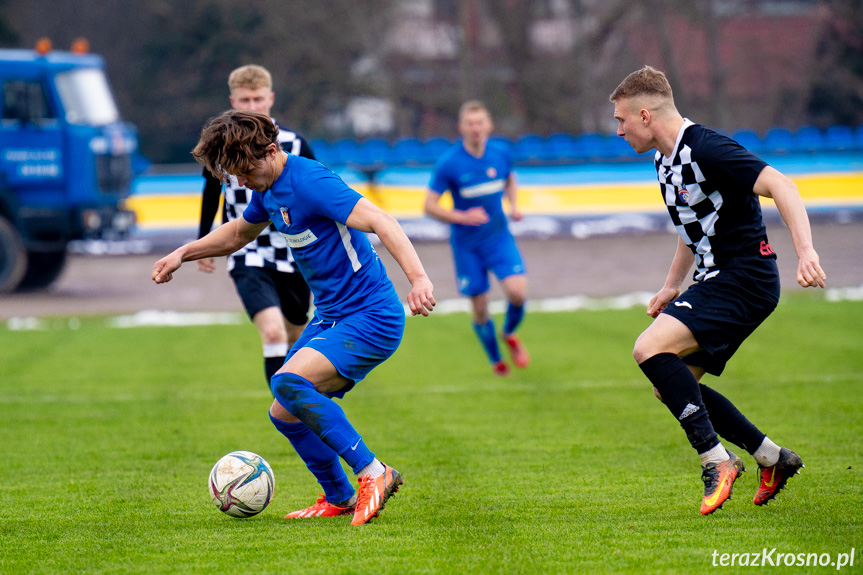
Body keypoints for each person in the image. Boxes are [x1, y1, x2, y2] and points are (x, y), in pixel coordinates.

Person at [153, 110, 436, 526]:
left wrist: (418, 279)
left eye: (246, 171)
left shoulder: (310, 181)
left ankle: (374, 473)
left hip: (371, 315)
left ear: (271, 151)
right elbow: (236, 235)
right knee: (282, 408)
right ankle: (338, 496)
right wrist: (183, 252)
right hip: (334, 317)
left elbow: (381, 220)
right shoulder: (268, 188)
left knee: (289, 381)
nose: (243, 182)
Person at [609, 66, 826, 515]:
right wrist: (671, 285)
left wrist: (806, 252)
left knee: (648, 349)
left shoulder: (707, 148)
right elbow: (692, 227)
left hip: (745, 277)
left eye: (621, 120)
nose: (618, 130)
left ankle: (717, 461)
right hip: (721, 279)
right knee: (673, 385)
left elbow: (781, 184)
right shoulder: (662, 159)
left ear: (645, 115)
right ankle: (772, 457)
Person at [197, 64, 315, 388]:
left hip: (292, 253)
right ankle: (284, 409)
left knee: (296, 336)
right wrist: (203, 242)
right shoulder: (220, 144)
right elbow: (210, 193)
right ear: (233, 101)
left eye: (258, 99)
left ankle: (303, 406)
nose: (252, 107)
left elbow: (313, 192)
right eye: (245, 100)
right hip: (246, 251)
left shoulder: (295, 142)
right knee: (273, 332)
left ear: (271, 99)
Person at [424, 100, 529, 377]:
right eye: (470, 123)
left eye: (480, 122)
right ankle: (496, 361)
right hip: (467, 245)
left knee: (518, 292)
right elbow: (429, 206)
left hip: (498, 237)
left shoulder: (501, 153)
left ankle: (509, 333)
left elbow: (509, 179)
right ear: (461, 128)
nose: (475, 128)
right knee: (480, 308)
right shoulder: (450, 163)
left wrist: (514, 205)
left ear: (489, 125)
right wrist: (462, 217)